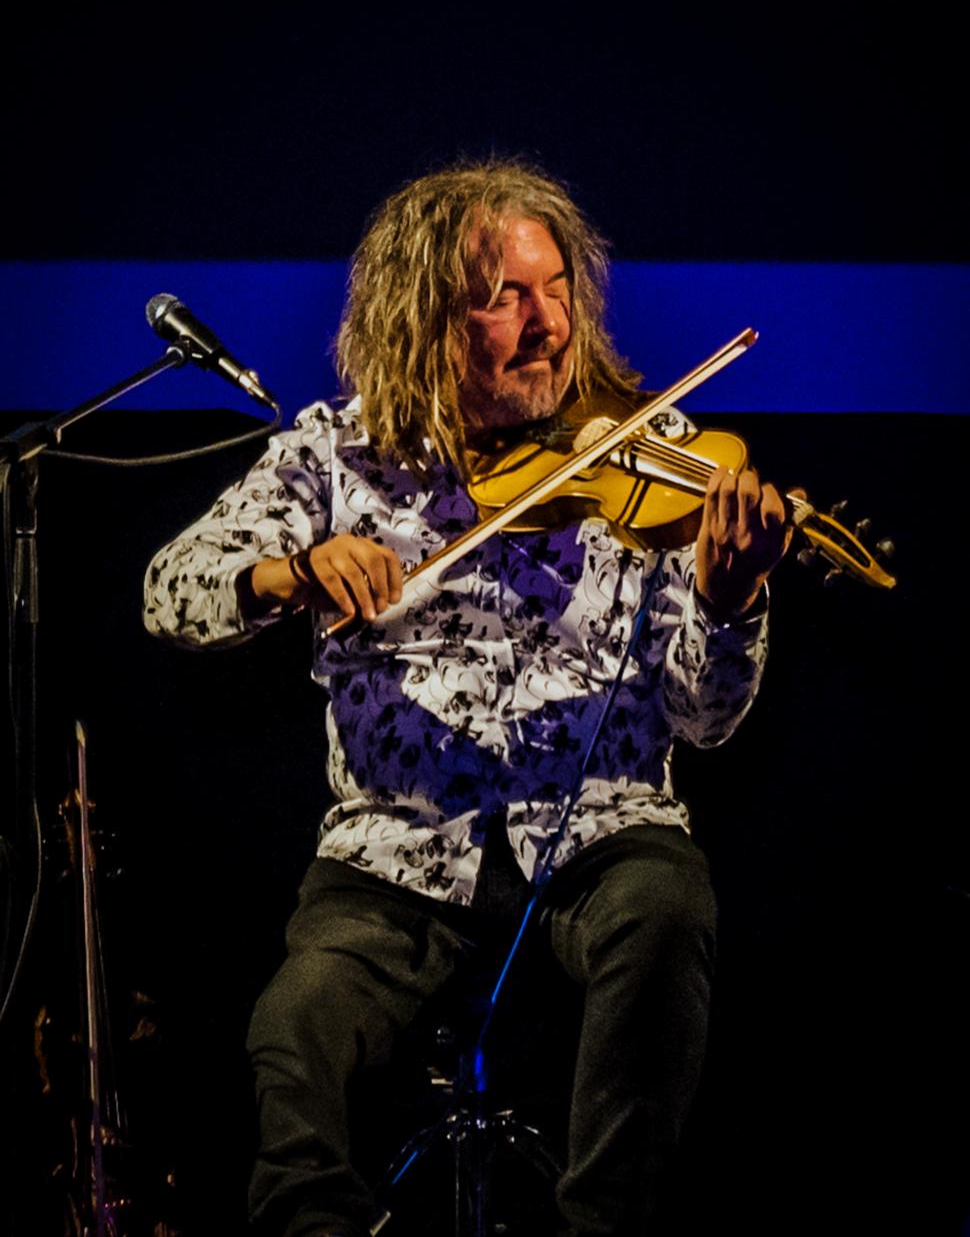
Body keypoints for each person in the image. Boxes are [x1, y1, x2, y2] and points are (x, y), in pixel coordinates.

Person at [143, 160, 792, 1237]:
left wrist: (728, 605)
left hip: (600, 837)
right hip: (392, 854)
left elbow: (705, 718)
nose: (548, 327)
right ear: (417, 321)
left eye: (557, 293)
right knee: (291, 1029)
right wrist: (287, 575)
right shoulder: (332, 457)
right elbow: (171, 590)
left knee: (665, 913)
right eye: (503, 298)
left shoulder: (639, 458)